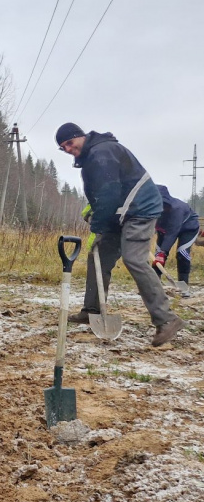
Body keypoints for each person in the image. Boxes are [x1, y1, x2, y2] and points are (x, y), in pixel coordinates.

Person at [56, 122, 184, 346]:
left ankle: (167, 319)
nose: (67, 149)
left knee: (134, 258)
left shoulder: (102, 152)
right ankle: (92, 309)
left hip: (140, 211)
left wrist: (98, 223)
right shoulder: (92, 155)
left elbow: (109, 192)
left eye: (69, 143)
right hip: (120, 213)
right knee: (98, 255)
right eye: (62, 147)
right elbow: (101, 195)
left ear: (80, 136)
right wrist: (98, 216)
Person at [154, 185, 199, 287]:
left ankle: (183, 286)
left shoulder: (176, 209)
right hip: (165, 230)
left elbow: (172, 232)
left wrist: (163, 252)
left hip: (188, 228)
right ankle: (154, 286)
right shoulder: (149, 208)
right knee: (158, 257)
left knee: (182, 254)